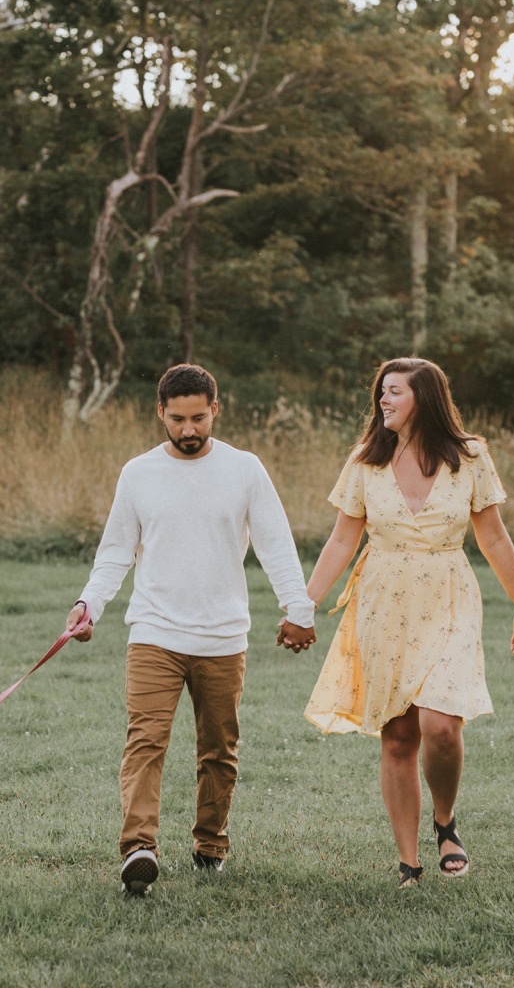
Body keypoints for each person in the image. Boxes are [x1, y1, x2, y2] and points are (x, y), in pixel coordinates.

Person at [66, 363, 317, 896]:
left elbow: (276, 545)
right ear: (160, 413)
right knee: (145, 742)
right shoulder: (138, 473)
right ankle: (139, 848)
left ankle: (210, 845)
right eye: (177, 419)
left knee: (219, 750)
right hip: (153, 632)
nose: (188, 430)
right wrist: (90, 603)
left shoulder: (245, 470)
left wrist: (299, 608)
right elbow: (115, 553)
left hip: (223, 638)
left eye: (198, 418)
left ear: (215, 411)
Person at [298, 357, 514, 888]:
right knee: (400, 734)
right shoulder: (365, 460)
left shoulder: (469, 457)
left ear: (424, 398)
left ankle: (445, 821)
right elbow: (341, 539)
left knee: (441, 725)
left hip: (448, 595)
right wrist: (305, 602)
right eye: (381, 392)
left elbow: (492, 536)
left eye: (394, 392)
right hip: (383, 600)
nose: (383, 400)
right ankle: (409, 862)